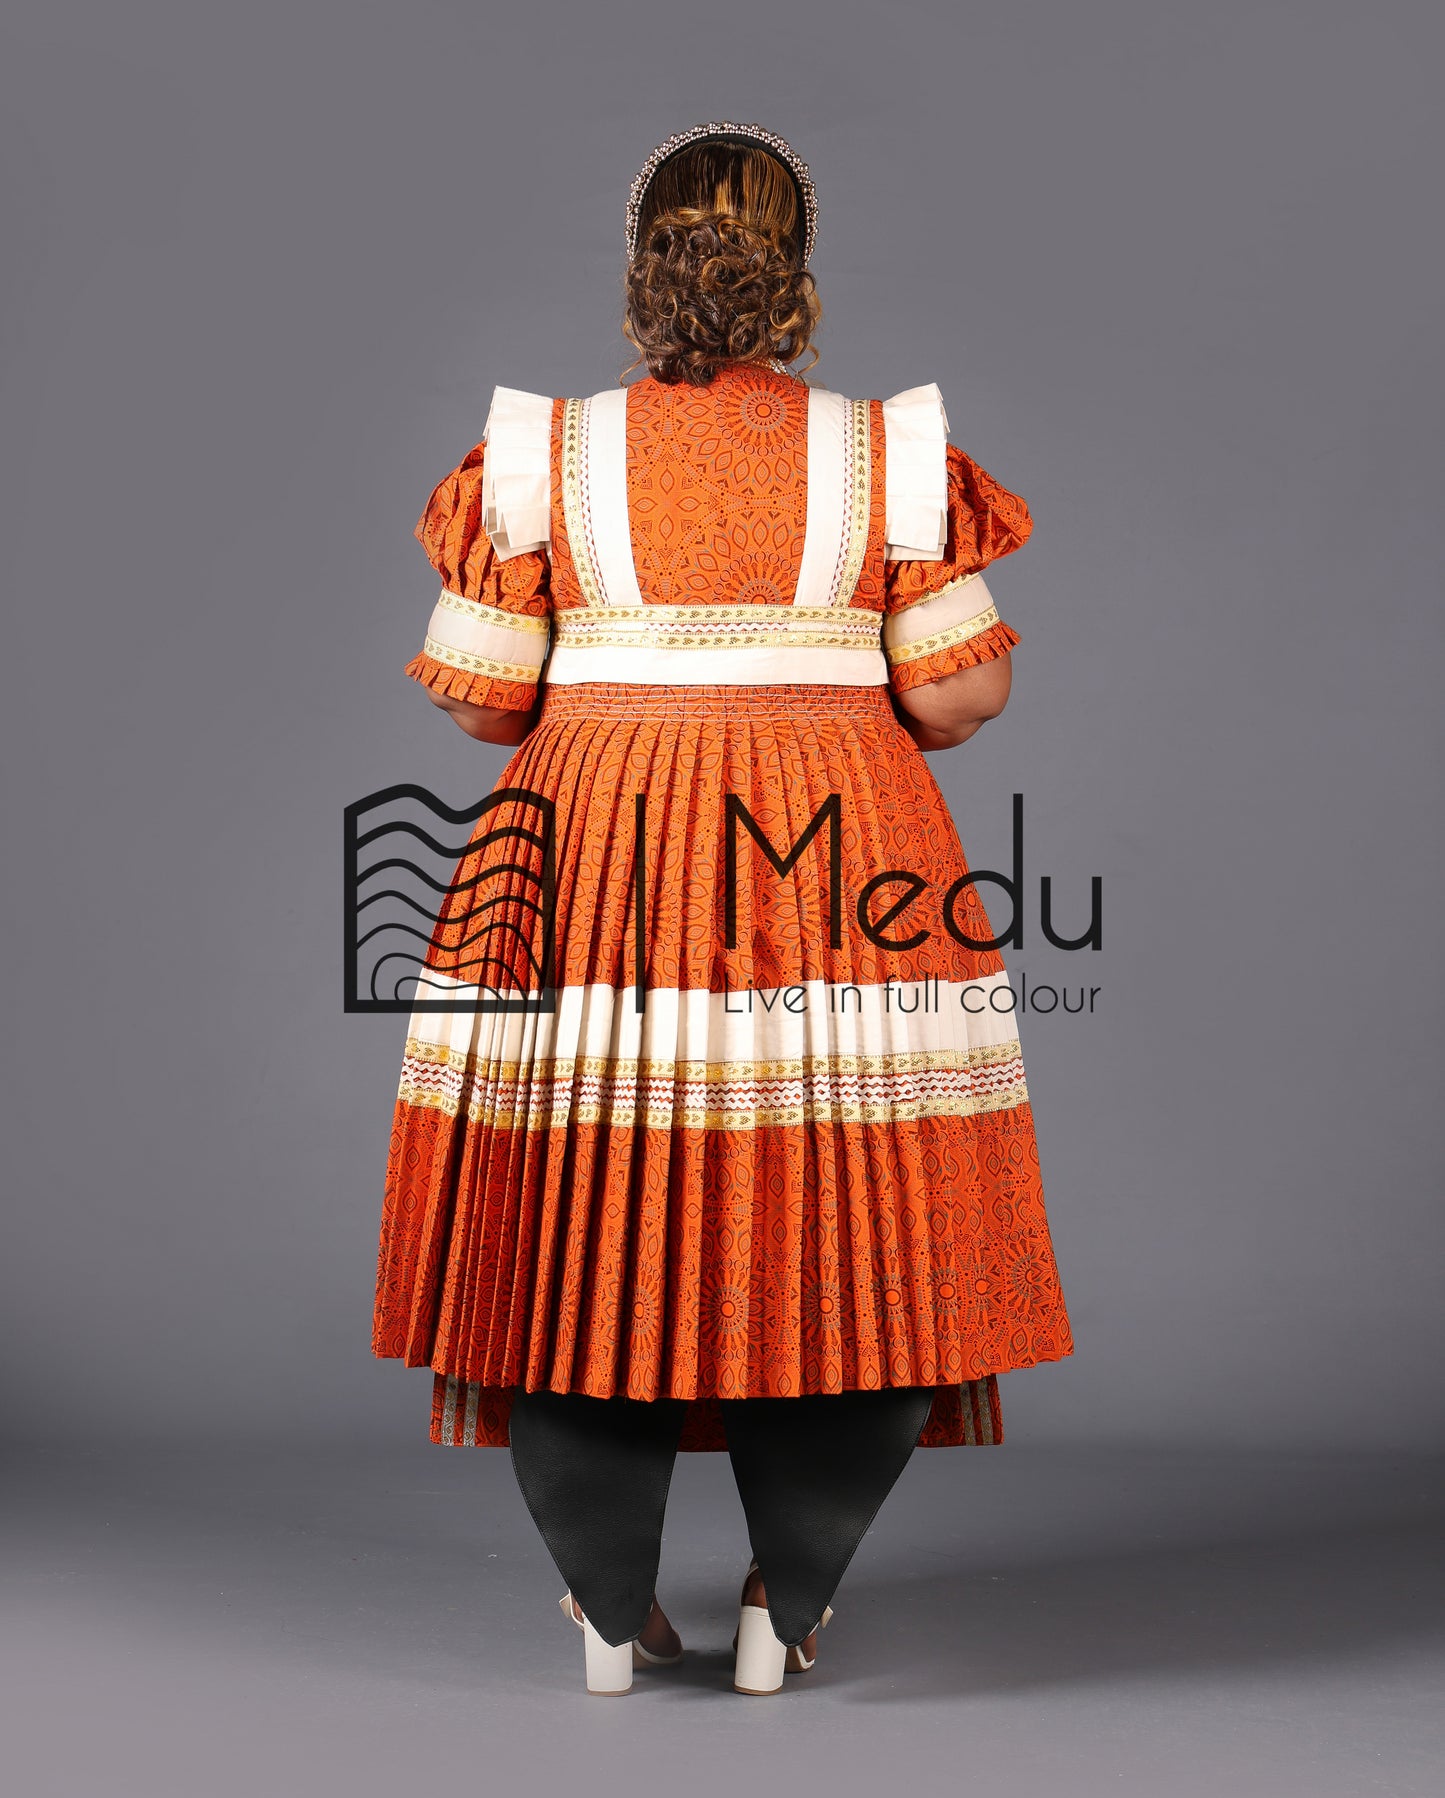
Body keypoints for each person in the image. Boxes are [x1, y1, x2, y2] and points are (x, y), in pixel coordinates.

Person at [371, 121, 1073, 1696]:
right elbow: (959, 694)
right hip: (832, 849)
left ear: (642, 271)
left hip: (588, 850)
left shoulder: (543, 456)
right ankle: (789, 1591)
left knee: (584, 1201)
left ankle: (607, 1597)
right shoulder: (883, 456)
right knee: (841, 1199)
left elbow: (480, 698)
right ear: (794, 276)